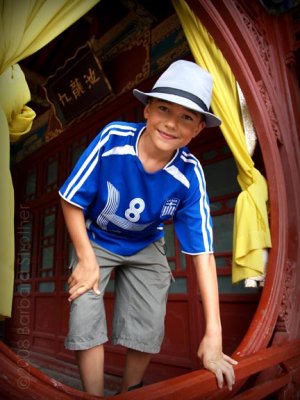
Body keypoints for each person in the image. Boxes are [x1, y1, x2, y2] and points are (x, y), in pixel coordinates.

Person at [59, 59, 238, 396]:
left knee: (149, 316)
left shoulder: (189, 174)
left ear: (199, 128)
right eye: (164, 109)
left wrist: (214, 333)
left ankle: (130, 391)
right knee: (84, 302)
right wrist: (85, 258)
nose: (171, 123)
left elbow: (203, 254)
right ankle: (93, 395)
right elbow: (71, 200)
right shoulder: (114, 138)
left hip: (146, 244)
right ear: (147, 111)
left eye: (187, 117)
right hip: (97, 236)